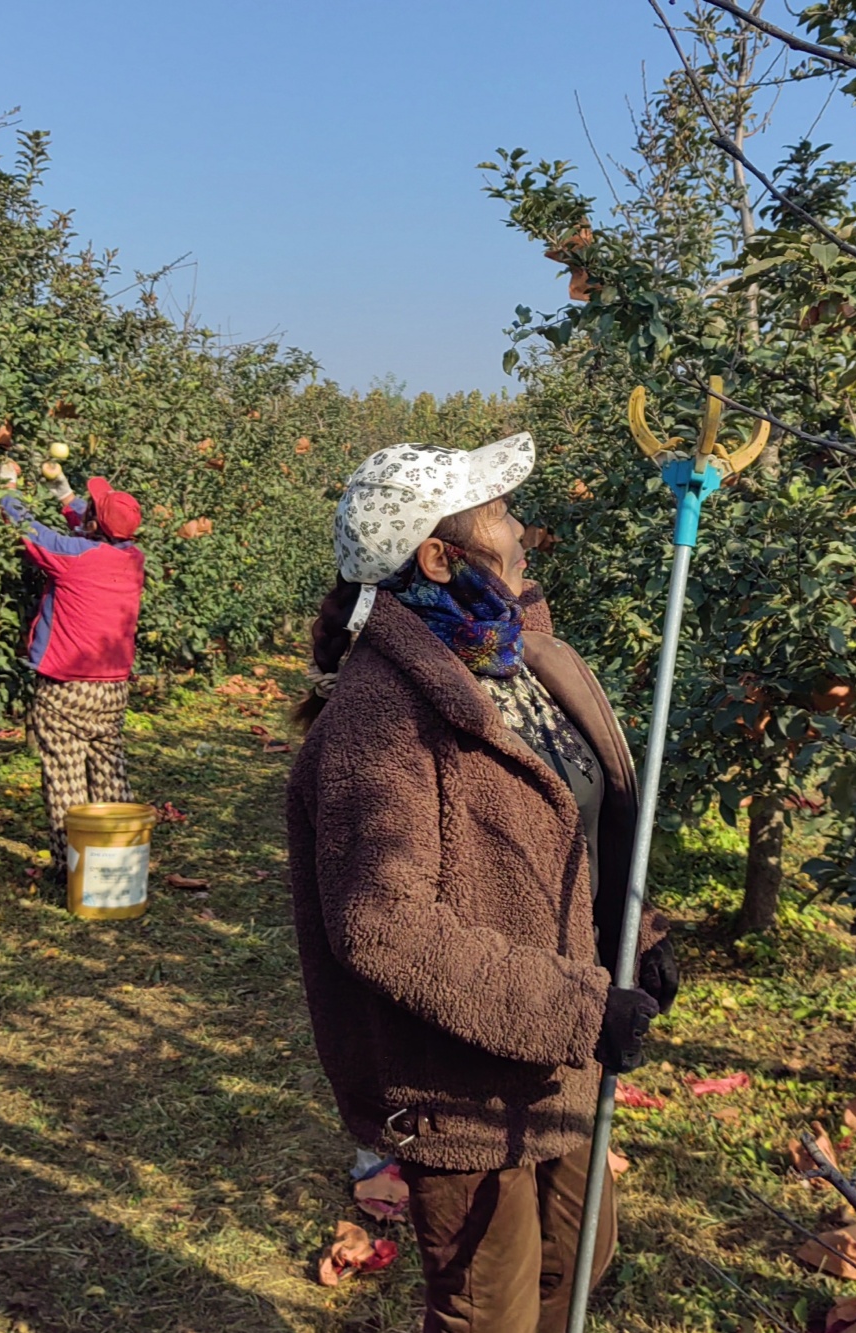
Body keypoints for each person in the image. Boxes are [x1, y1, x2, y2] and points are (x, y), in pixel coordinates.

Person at [286, 432, 680, 1333]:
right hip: (460, 1074)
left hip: (554, 1057)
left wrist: (640, 937)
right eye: (500, 514)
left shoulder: (520, 663)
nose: (521, 530)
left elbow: (572, 824)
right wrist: (577, 1009)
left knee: (578, 1262)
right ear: (439, 556)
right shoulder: (376, 718)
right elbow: (381, 923)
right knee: (488, 1307)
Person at [0, 459, 147, 890]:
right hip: (113, 688)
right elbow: (96, 527)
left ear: (96, 524)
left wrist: (6, 487)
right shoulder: (132, 558)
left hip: (66, 686)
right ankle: (117, 859)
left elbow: (29, 532)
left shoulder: (74, 559)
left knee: (64, 776)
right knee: (108, 767)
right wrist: (64, 495)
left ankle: (74, 870)